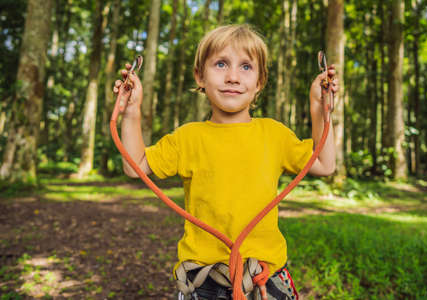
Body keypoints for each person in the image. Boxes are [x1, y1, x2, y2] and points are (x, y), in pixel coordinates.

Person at [113, 24, 338, 300]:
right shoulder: (188, 138)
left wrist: (319, 109)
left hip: (265, 277)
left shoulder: (274, 134)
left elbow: (325, 165)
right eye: (221, 64)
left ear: (259, 83)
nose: (233, 77)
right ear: (200, 76)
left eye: (246, 67)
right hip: (203, 278)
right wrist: (132, 111)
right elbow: (134, 165)